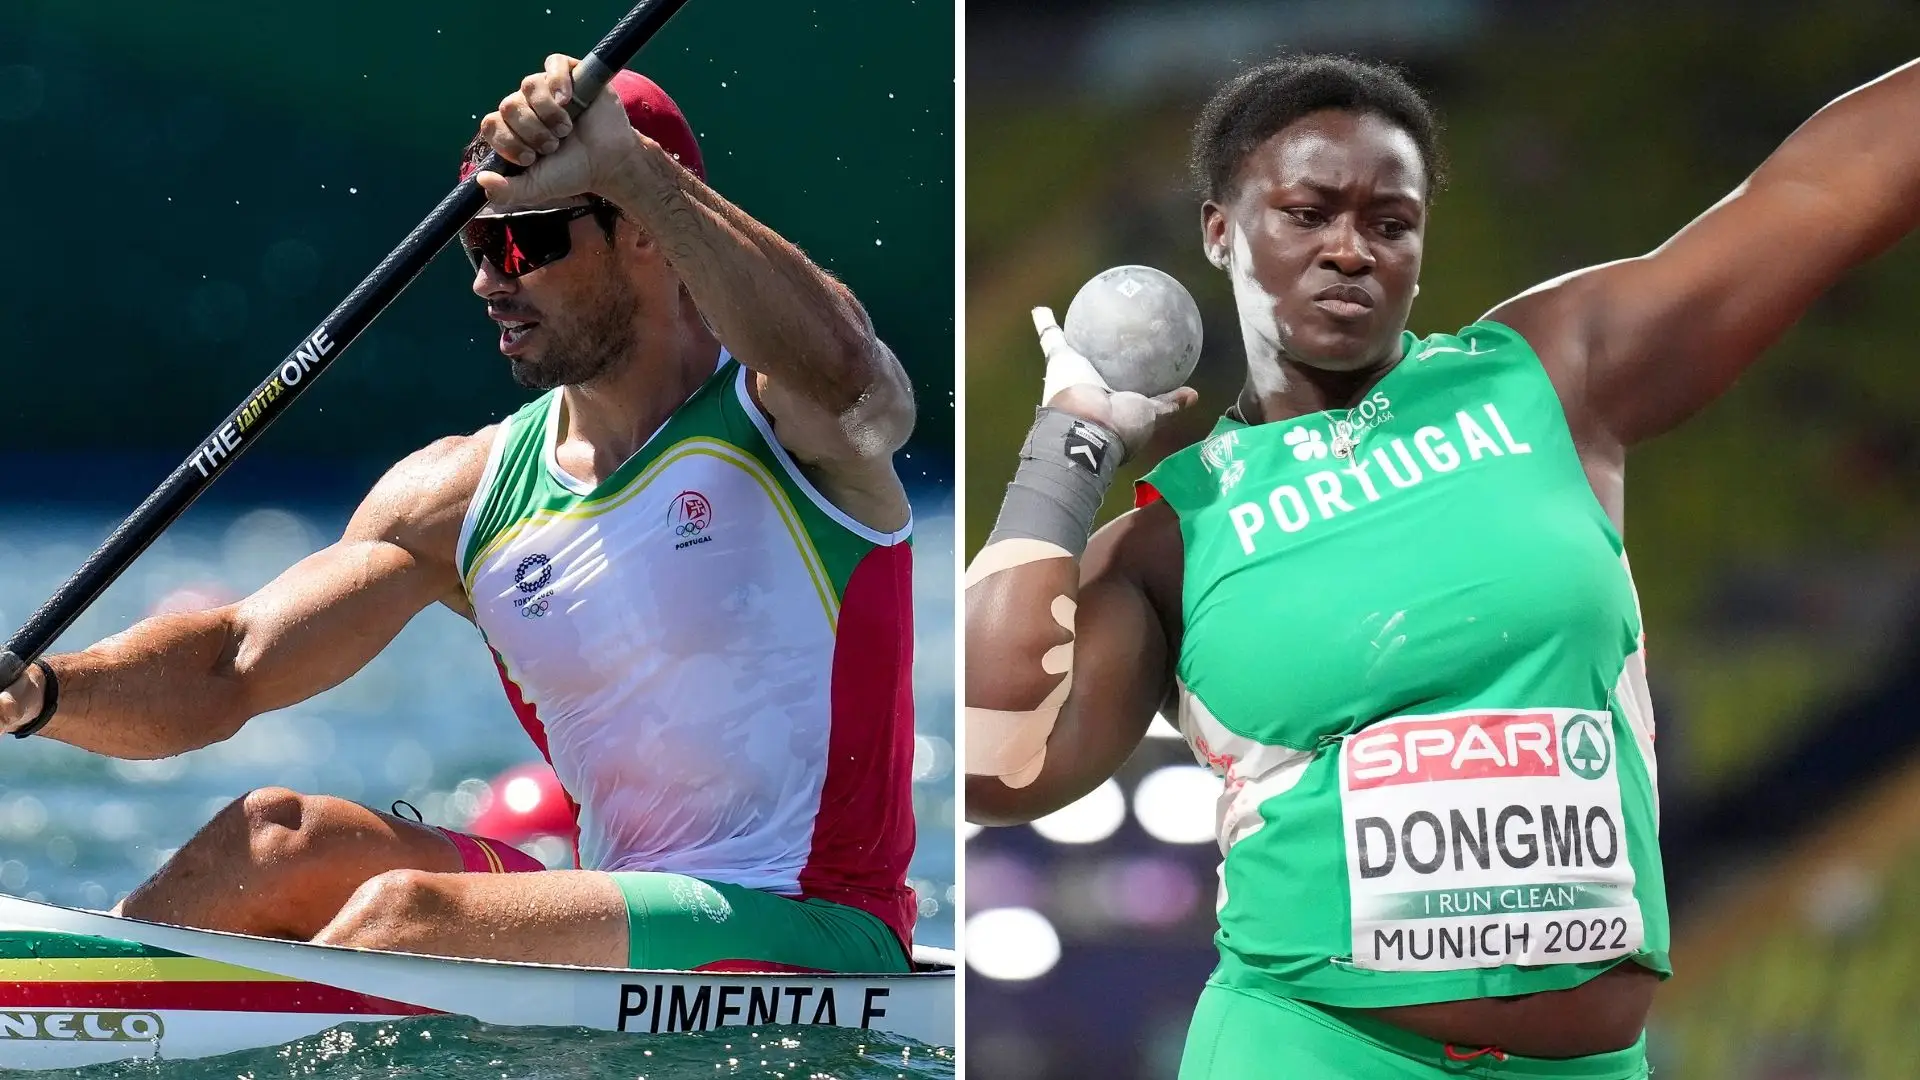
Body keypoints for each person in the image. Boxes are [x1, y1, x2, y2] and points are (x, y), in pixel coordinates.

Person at [965, 54, 1919, 1078]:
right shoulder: (1172, 538)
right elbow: (993, 761)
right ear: (1220, 229)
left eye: (1391, 222)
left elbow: (1815, 191)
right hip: (1311, 1050)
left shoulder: (1548, 376)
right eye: (1307, 213)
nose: (1350, 251)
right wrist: (1071, 445)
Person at [0, 56, 921, 975]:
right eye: (481, 248)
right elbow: (231, 662)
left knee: (408, 916)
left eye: (526, 246)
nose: (491, 283)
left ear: (644, 230)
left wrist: (630, 165)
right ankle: (74, 994)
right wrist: (37, 690)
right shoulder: (459, 494)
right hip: (619, 900)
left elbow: (859, 386)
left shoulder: (788, 423)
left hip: (814, 922)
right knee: (273, 840)